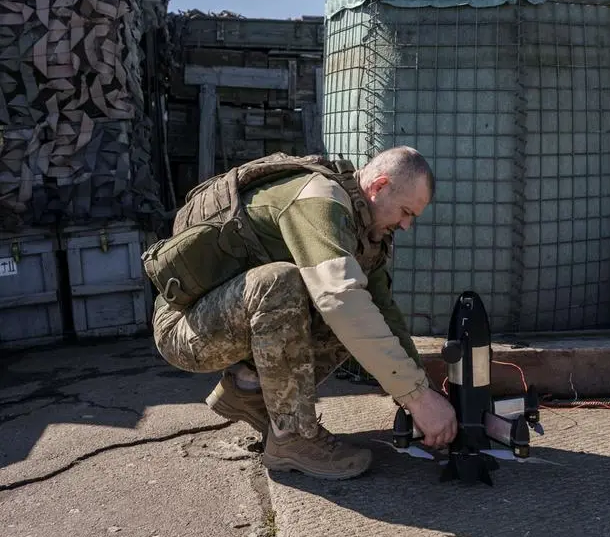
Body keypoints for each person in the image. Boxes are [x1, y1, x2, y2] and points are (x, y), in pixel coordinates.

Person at [150, 146, 458, 480]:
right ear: (379, 186)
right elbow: (341, 300)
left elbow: (384, 315)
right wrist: (417, 399)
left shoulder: (362, 230)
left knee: (360, 314)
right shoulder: (319, 198)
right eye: (406, 212)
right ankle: (292, 438)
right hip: (185, 327)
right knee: (287, 285)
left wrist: (424, 390)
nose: (407, 225)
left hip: (226, 317)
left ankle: (247, 389)